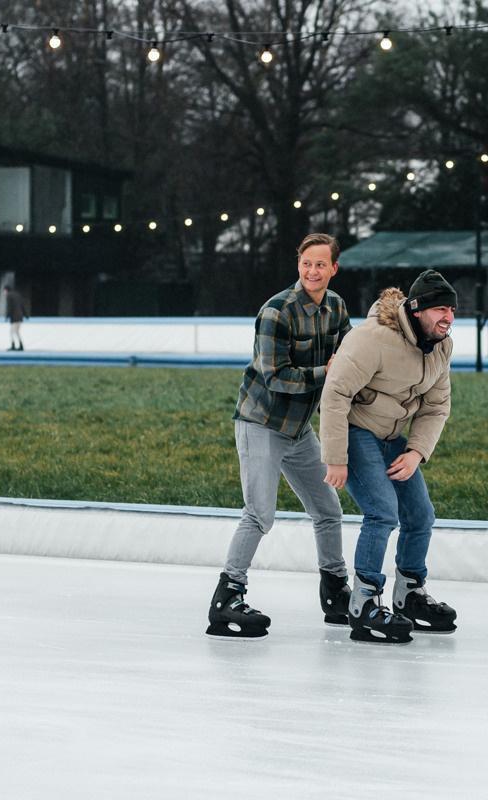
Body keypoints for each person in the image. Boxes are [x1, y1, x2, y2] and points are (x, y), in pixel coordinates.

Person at [206, 232, 352, 639]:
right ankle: (226, 598)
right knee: (259, 513)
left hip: (299, 428)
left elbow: (352, 358)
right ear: (298, 264)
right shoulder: (277, 311)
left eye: (321, 264)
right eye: (306, 263)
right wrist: (330, 371)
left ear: (334, 268)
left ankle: (336, 591)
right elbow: (276, 377)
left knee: (328, 509)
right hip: (262, 423)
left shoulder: (337, 307)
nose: (312, 271)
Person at [320, 269, 458, 645]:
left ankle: (409, 594)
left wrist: (416, 452)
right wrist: (336, 456)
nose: (448, 317)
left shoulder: (442, 345)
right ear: (416, 309)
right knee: (383, 511)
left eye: (452, 309)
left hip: (393, 436)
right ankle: (363, 603)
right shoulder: (373, 339)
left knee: (420, 514)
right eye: (440, 309)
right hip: (356, 431)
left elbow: (436, 406)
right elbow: (334, 394)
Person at [5, 285, 27, 351]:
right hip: (20, 316)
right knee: (17, 332)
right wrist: (26, 315)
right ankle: (20, 345)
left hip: (14, 317)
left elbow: (10, 307)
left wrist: (7, 316)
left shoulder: (9, 296)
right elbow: (22, 305)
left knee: (12, 332)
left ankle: (13, 345)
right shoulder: (18, 295)